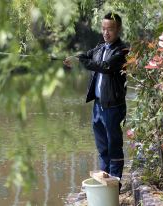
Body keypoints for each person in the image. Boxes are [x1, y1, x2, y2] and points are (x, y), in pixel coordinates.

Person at [63, 12, 128, 189]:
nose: (106, 33)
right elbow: (87, 56)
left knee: (114, 147)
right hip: (98, 106)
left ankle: (115, 185)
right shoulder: (100, 48)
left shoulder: (121, 51)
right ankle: (104, 183)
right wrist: (75, 59)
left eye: (111, 29)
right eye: (104, 29)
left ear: (118, 29)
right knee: (102, 148)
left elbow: (105, 67)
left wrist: (81, 62)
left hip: (113, 107)